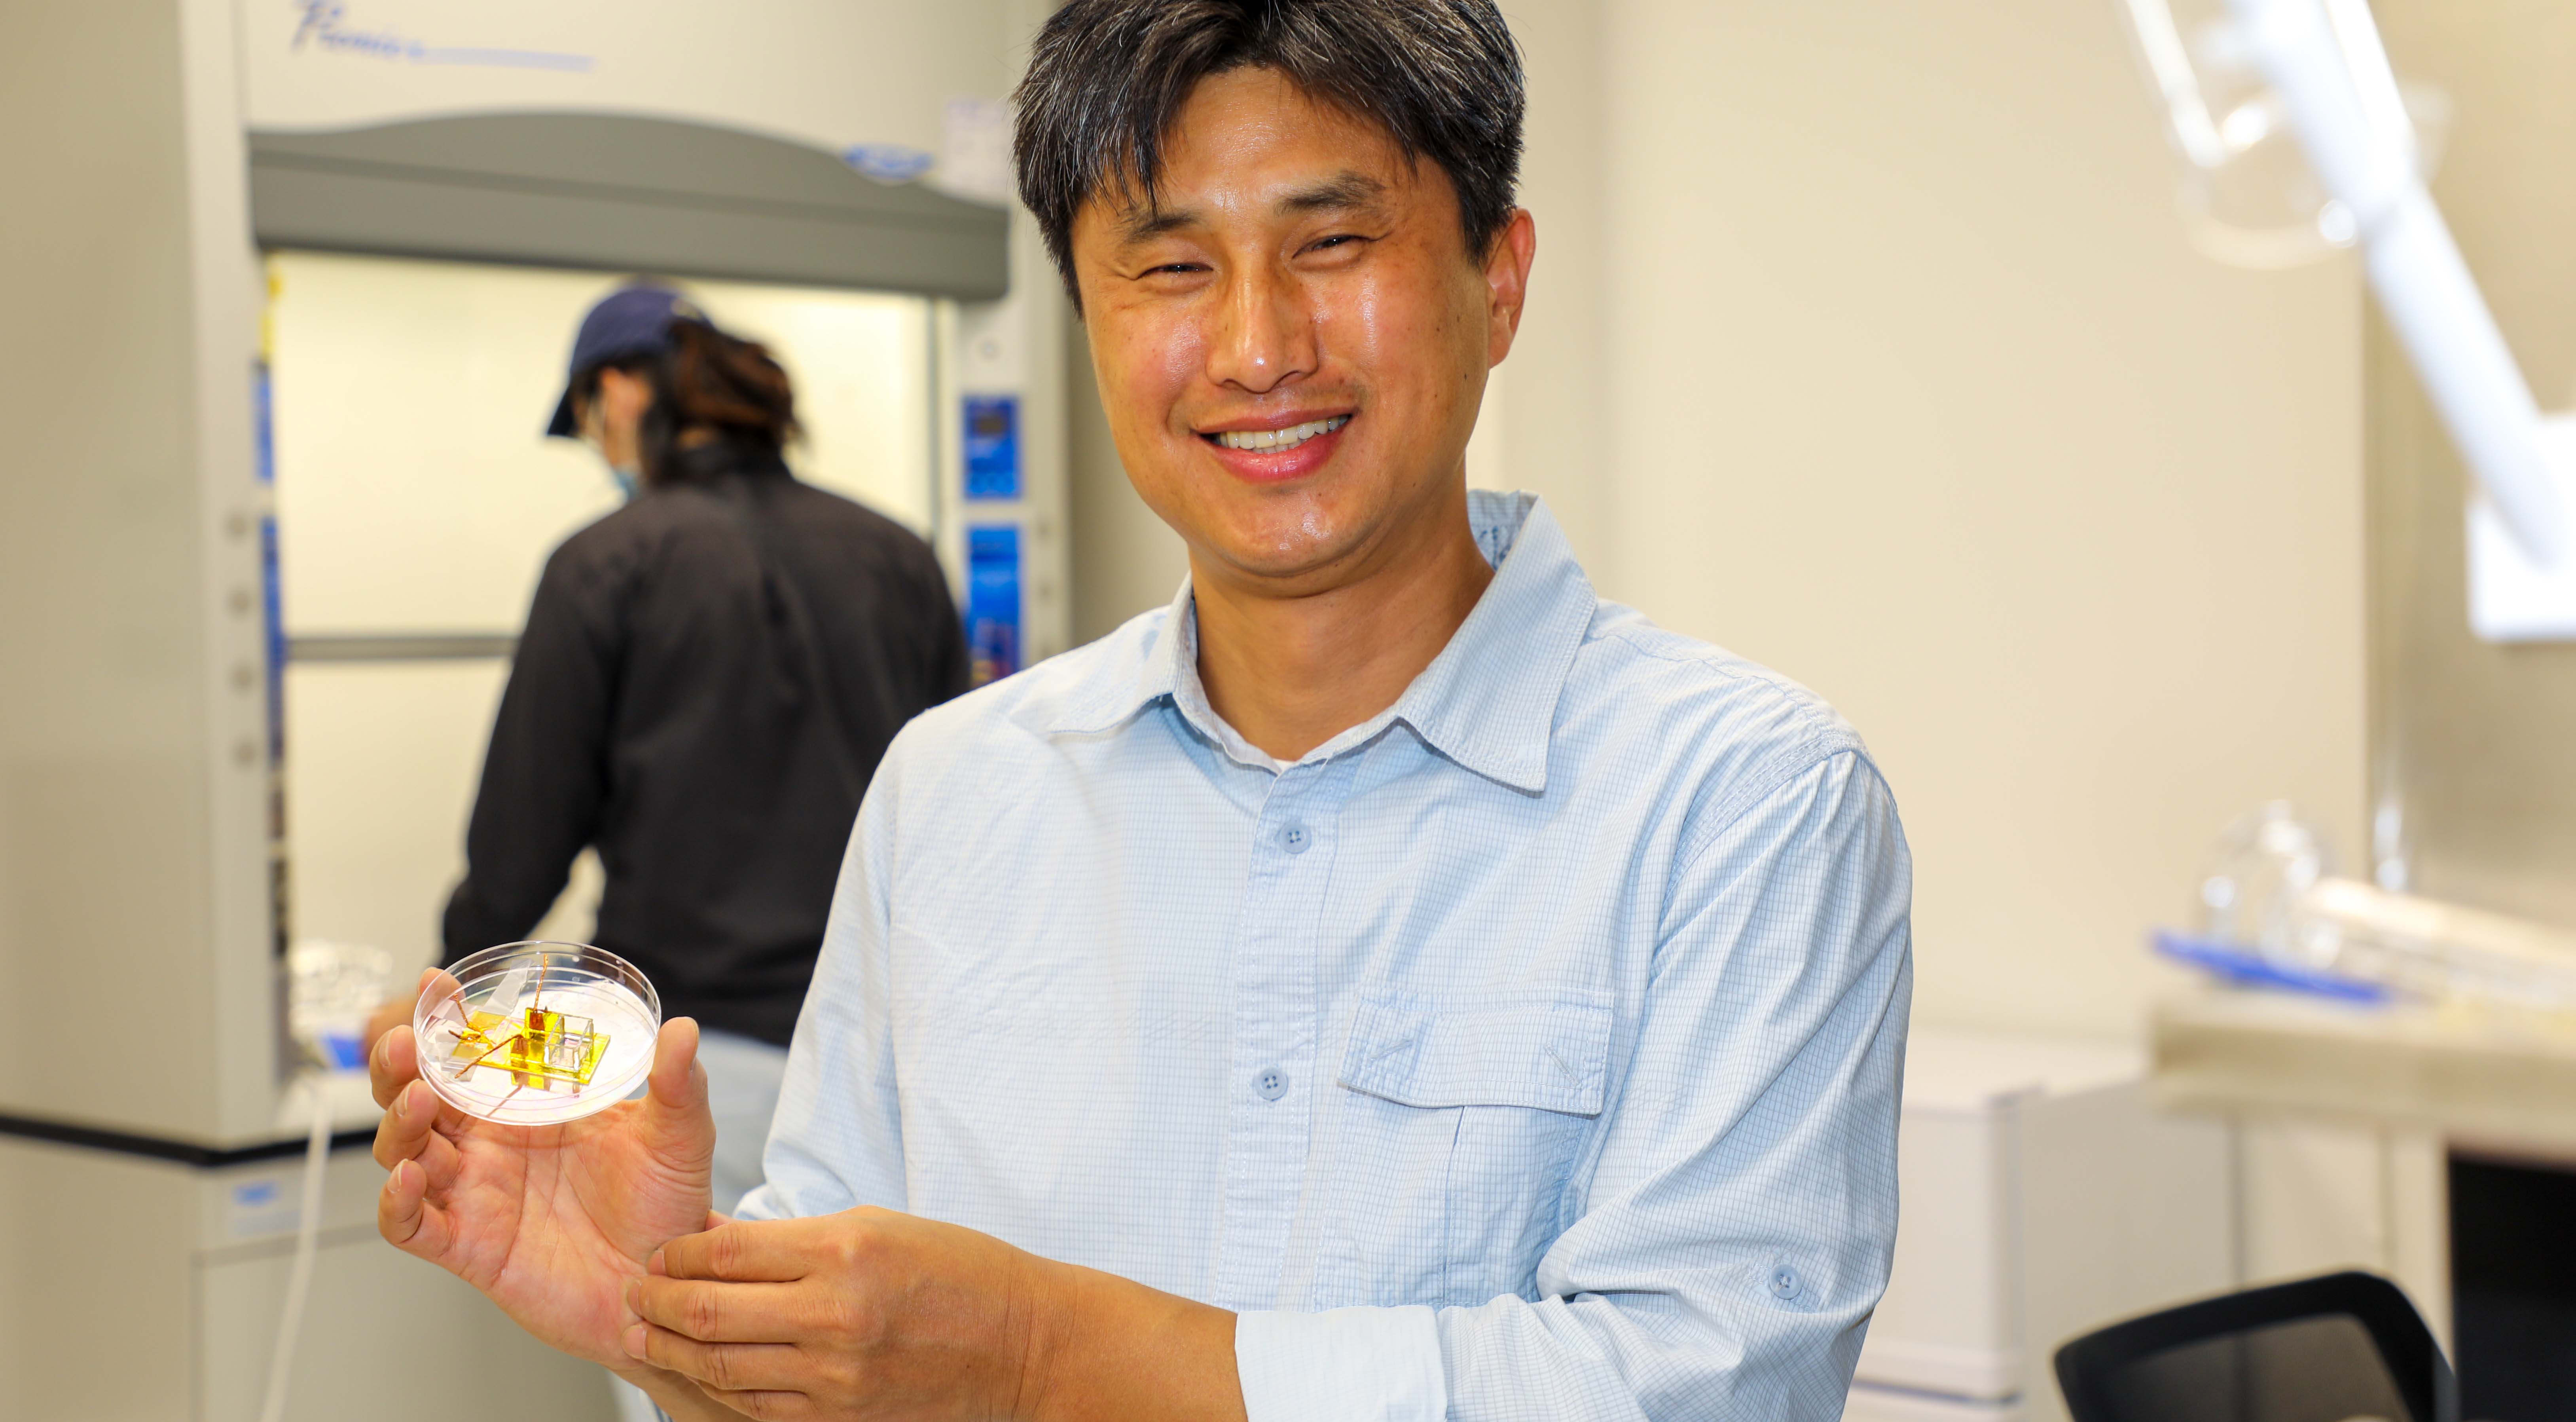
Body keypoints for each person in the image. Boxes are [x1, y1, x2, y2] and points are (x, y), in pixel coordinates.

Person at [367, 3, 1913, 1418]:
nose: (1255, 347)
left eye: (1331, 243)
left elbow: (1702, 1385)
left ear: (1494, 280)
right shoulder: (951, 791)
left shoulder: (1740, 801)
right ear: (1089, 322)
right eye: (1170, 266)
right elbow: (852, 1388)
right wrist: (663, 1319)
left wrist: (1044, 1355)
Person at [374, 282, 967, 1212]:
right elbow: (952, 814)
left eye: (589, 426)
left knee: (682, 1346)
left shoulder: (608, 563)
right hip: (883, 1065)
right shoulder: (897, 555)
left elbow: (522, 838)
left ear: (617, 394)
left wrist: (443, 998)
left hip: (692, 1064)